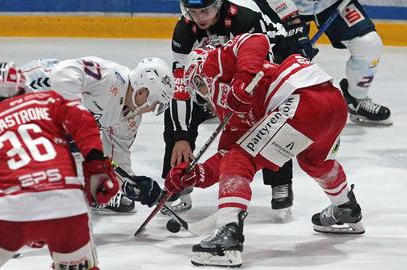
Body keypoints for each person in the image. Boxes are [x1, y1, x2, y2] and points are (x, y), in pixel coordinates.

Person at [164, 33, 365, 267]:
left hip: (301, 96)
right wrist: (195, 175)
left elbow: (255, 39)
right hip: (330, 106)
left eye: (199, 89)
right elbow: (225, 156)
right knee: (314, 162)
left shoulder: (215, 63)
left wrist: (243, 78)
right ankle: (345, 207)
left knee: (239, 158)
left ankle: (228, 236)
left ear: (199, 79)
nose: (204, 100)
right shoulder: (231, 113)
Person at [0, 62, 119, 270]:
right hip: (68, 205)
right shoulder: (45, 102)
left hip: (10, 209)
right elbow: (82, 118)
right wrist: (96, 164)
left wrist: (21, 229)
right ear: (22, 87)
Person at [163, 0, 319, 218]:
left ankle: (280, 183)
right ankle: (178, 180)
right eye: (194, 12)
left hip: (254, 78)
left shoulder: (245, 19)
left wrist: (234, 97)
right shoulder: (184, 30)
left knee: (265, 119)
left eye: (205, 10)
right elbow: (180, 84)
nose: (200, 17)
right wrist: (181, 135)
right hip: (213, 83)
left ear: (218, 5)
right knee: (176, 118)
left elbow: (260, 73)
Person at [21, 56, 174, 213]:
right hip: (28, 90)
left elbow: (116, 159)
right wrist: (75, 119)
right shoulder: (111, 77)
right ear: (142, 92)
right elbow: (63, 73)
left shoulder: (131, 118)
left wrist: (132, 184)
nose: (152, 109)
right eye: (154, 103)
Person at [266, 0, 392, 125]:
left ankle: (356, 99)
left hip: (329, 3)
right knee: (277, 56)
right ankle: (264, 104)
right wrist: (294, 25)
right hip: (280, 6)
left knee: (368, 44)